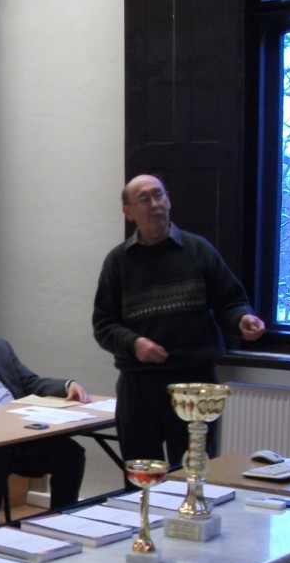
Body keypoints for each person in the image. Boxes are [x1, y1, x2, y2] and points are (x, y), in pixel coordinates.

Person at [93, 174, 265, 466]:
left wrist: (243, 319)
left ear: (169, 200)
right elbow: (104, 325)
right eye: (144, 199)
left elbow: (230, 301)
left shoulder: (198, 250)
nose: (154, 204)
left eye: (159, 195)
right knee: (141, 476)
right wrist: (134, 344)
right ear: (128, 211)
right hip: (139, 385)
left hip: (194, 383)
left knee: (191, 472)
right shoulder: (118, 262)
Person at [0, 291, 88, 530]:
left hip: (19, 433)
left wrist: (67, 385)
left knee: (71, 453)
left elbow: (30, 383)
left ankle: (62, 523)